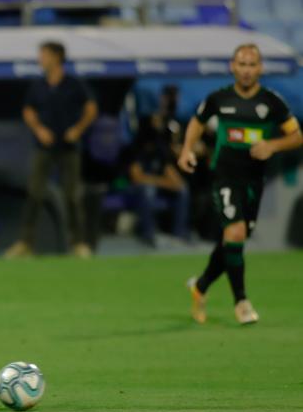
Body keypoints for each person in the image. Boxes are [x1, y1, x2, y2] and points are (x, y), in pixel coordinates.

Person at [178, 43, 302, 325]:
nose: (246, 70)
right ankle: (242, 302)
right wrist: (187, 149)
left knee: (233, 241)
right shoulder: (219, 99)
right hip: (224, 176)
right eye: (241, 64)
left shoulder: (272, 102)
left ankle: (200, 286)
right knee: (234, 233)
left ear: (260, 68)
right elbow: (197, 122)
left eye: (252, 65)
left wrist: (272, 145)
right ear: (232, 67)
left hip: (254, 181)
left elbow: (297, 136)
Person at [5, 41, 98, 258]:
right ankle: (25, 243)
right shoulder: (38, 85)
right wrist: (39, 130)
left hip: (69, 147)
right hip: (44, 147)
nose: (40, 59)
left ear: (56, 57)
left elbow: (91, 109)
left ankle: (78, 243)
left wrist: (77, 130)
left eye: (44, 55)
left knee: (72, 195)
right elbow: (28, 111)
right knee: (34, 193)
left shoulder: (74, 84)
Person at [128, 117, 189, 246]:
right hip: (134, 189)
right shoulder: (136, 148)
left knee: (183, 191)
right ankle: (148, 234)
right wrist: (162, 182)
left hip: (157, 186)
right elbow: (137, 178)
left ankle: (179, 234)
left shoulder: (160, 150)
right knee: (148, 190)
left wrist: (158, 181)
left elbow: (177, 182)